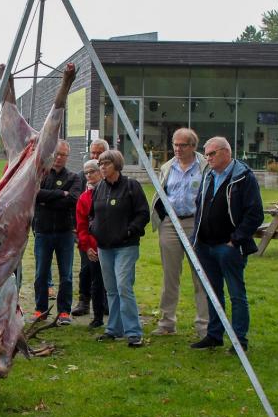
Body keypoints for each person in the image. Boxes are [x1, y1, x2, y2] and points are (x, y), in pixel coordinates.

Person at [190, 137, 263, 352]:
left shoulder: (244, 178)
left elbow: (255, 213)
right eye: (207, 154)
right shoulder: (208, 175)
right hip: (205, 245)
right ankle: (214, 335)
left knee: (236, 294)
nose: (208, 158)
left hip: (228, 247)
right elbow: (200, 207)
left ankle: (240, 339)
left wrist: (236, 239)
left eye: (212, 154)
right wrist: (196, 238)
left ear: (226, 152)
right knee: (212, 292)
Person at [150, 128, 209, 338]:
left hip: (196, 224)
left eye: (182, 145)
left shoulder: (204, 167)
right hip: (170, 224)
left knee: (201, 275)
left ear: (193, 146)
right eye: (175, 144)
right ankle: (167, 323)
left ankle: (204, 325)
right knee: (170, 276)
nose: (177, 149)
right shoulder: (168, 167)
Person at [91, 150, 149, 347]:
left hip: (126, 246)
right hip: (104, 247)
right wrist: (94, 228)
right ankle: (113, 329)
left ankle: (133, 332)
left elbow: (143, 213)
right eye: (100, 164)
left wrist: (129, 231)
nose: (102, 168)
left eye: (106, 164)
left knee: (124, 286)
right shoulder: (99, 188)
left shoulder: (131, 186)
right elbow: (92, 214)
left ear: (116, 164)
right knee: (111, 289)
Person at [32, 139, 81, 325]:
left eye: (63, 155)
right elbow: (35, 194)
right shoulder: (41, 174)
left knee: (66, 274)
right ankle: (40, 310)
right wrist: (61, 194)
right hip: (43, 231)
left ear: (67, 157)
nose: (59, 158)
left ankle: (64, 312)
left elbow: (73, 200)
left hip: (65, 232)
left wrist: (48, 199)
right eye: (56, 154)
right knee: (41, 273)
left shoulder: (74, 178)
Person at [72, 138, 110, 317]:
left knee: (106, 269)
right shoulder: (81, 176)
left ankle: (105, 302)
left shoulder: (110, 178)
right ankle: (84, 300)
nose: (95, 155)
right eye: (93, 152)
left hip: (106, 235)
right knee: (86, 268)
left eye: (99, 152)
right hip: (85, 233)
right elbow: (75, 203)